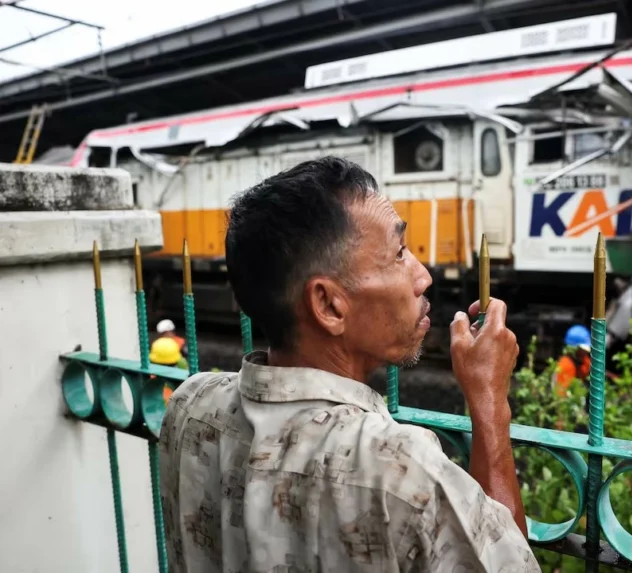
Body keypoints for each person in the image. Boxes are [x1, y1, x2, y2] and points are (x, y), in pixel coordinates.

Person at [159, 157, 540, 572]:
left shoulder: (190, 407)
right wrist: (489, 400)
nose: (423, 277)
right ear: (328, 305)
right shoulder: (401, 471)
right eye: (399, 254)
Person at [555, 324, 592, 396]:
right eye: (583, 350)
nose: (586, 352)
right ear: (574, 349)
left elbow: (587, 368)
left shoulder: (583, 360)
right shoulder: (566, 365)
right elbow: (561, 394)